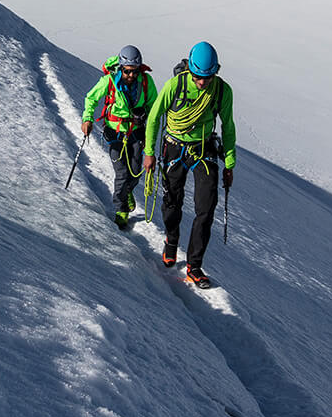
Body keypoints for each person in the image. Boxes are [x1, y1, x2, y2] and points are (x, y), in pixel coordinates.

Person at [144, 40, 236, 288]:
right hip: (174, 146)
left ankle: (195, 266)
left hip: (204, 149)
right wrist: (149, 152)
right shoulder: (175, 85)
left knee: (206, 209)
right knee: (172, 201)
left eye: (207, 77)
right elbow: (154, 117)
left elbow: (228, 126)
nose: (202, 82)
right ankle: (171, 240)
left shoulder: (221, 91)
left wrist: (229, 163)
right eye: (198, 76)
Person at [80, 45, 158, 229]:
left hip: (137, 132)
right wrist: (87, 119)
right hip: (115, 132)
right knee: (122, 172)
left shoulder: (146, 82)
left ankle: (127, 191)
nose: (131, 75)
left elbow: (154, 107)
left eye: (134, 71)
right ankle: (121, 209)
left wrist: (147, 119)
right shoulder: (109, 81)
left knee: (136, 171)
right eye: (127, 71)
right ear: (121, 67)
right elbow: (91, 98)